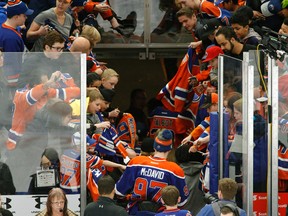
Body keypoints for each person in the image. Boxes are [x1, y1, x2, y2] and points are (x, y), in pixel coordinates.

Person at [115, 129, 189, 215]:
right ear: (169, 149)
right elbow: (182, 202)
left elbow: (119, 192)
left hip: (136, 211)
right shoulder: (175, 169)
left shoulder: (136, 162)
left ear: (154, 147)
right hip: (160, 213)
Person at [0, 0, 34, 86]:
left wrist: (19, 28)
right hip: (12, 80)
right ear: (16, 17)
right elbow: (11, 64)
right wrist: (16, 85)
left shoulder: (5, 27)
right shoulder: (11, 38)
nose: (26, 18)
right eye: (24, 15)